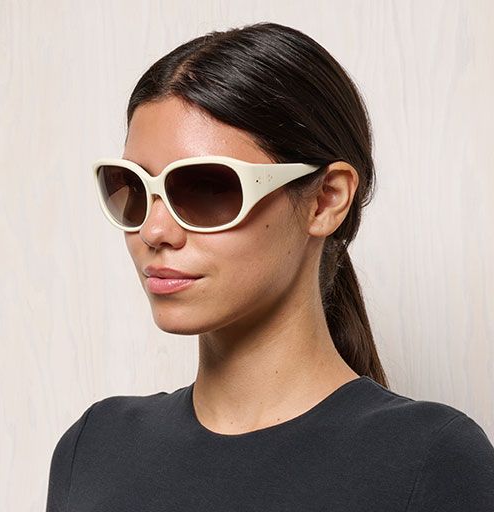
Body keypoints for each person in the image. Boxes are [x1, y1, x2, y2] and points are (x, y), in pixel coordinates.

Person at [47, 22, 494, 511]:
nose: (154, 231)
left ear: (326, 200)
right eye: (133, 187)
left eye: (206, 188)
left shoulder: (432, 461)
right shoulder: (95, 448)